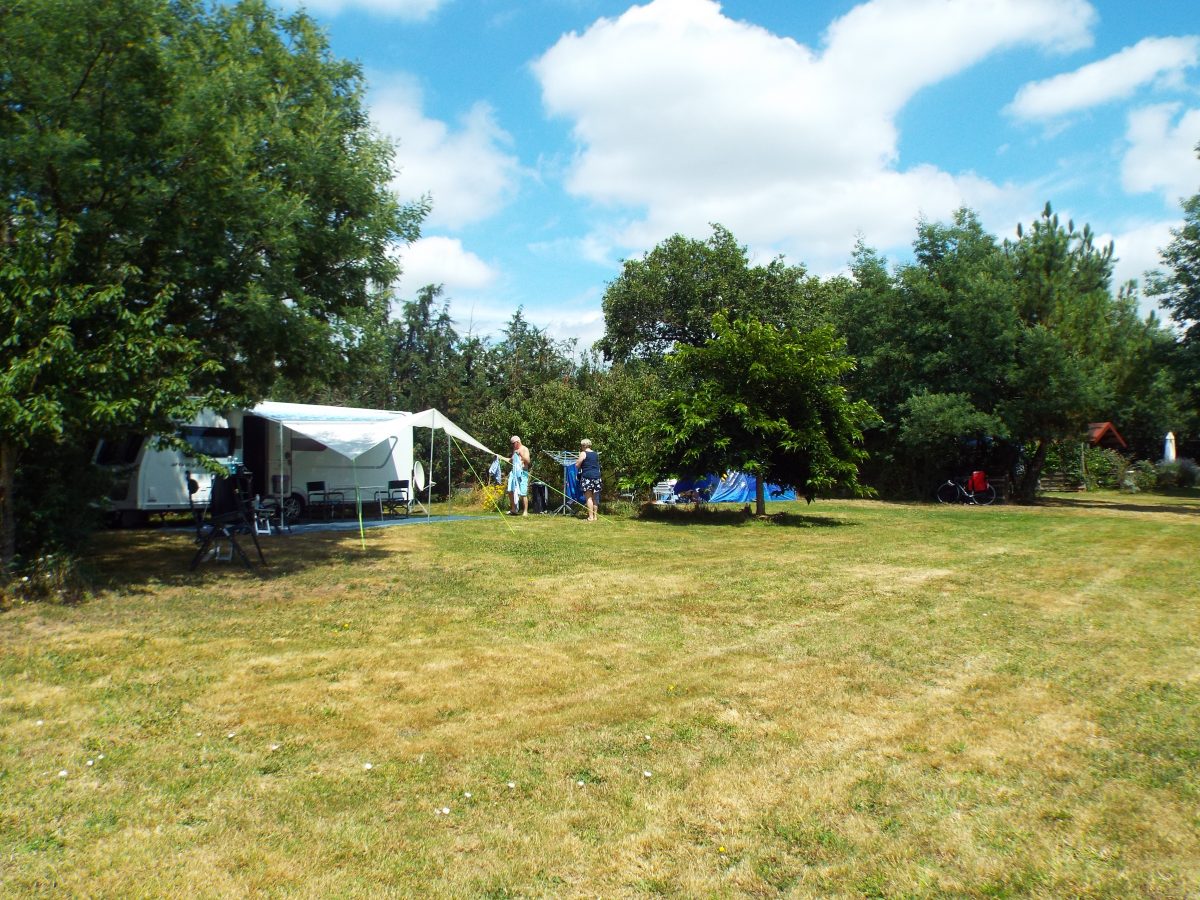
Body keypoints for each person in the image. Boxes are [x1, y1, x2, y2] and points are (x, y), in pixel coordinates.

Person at [575, 438, 602, 522]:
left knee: (589, 498)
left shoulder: (583, 453)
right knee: (595, 498)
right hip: (597, 477)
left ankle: (590, 517)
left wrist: (579, 464)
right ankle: (595, 517)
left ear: (583, 445)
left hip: (587, 477)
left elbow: (577, 465)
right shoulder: (595, 454)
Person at [508, 435, 531, 516]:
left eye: (513, 443)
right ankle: (513, 509)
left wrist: (520, 454)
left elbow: (528, 461)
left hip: (523, 473)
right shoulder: (514, 449)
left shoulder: (524, 449)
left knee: (523, 492)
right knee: (510, 491)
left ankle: (525, 511)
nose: (512, 445)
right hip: (514, 473)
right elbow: (510, 460)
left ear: (517, 442)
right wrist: (499, 457)